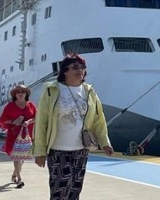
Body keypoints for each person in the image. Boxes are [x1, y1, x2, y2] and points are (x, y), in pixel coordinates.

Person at [32, 54, 114, 200]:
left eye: (83, 67)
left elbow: (98, 119)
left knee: (75, 191)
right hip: (58, 150)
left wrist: (104, 142)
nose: (80, 70)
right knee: (59, 191)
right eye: (75, 67)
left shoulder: (89, 91)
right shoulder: (52, 90)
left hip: (81, 150)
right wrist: (40, 151)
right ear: (64, 71)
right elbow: (41, 122)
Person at [0, 84, 37, 189]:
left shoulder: (31, 105)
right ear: (15, 94)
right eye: (18, 92)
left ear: (26, 94)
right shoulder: (10, 106)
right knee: (17, 156)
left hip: (27, 135)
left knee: (22, 157)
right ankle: (19, 179)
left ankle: (14, 174)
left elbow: (37, 117)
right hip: (14, 135)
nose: (20, 93)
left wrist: (28, 121)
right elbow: (2, 120)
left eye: (22, 92)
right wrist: (13, 121)